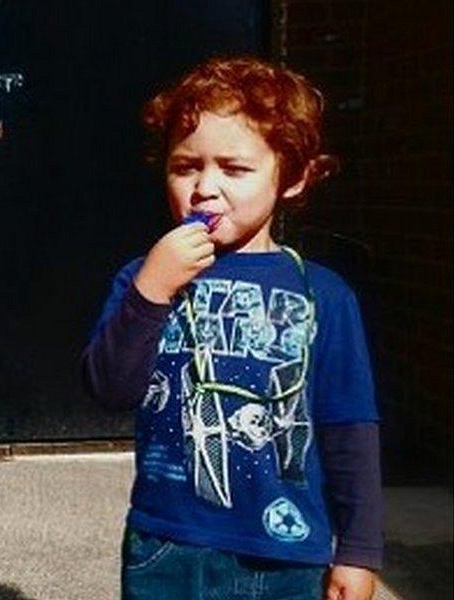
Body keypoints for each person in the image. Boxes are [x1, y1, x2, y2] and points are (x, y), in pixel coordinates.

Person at [82, 57, 382, 600]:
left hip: (287, 553)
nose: (204, 187)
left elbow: (349, 428)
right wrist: (151, 291)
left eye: (235, 168)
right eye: (185, 166)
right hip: (166, 543)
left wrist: (359, 551)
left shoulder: (323, 295)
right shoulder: (143, 277)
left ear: (294, 178)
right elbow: (110, 388)